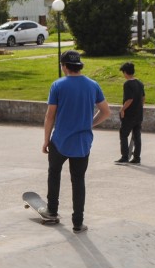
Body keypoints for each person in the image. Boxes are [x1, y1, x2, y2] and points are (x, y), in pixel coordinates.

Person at [42, 50, 111, 233]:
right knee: (78, 180)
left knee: (54, 174)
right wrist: (90, 124)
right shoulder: (92, 85)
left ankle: (52, 211)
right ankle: (78, 222)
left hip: (60, 141)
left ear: (64, 66)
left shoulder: (58, 85)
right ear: (78, 65)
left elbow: (50, 116)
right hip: (82, 143)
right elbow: (106, 112)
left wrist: (46, 140)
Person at [115, 62, 145, 165]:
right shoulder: (139, 83)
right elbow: (143, 98)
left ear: (125, 72)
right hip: (139, 114)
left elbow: (129, 99)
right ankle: (137, 158)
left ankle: (124, 157)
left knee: (123, 135)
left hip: (129, 115)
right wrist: (139, 108)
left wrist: (122, 109)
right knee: (137, 136)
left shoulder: (127, 84)